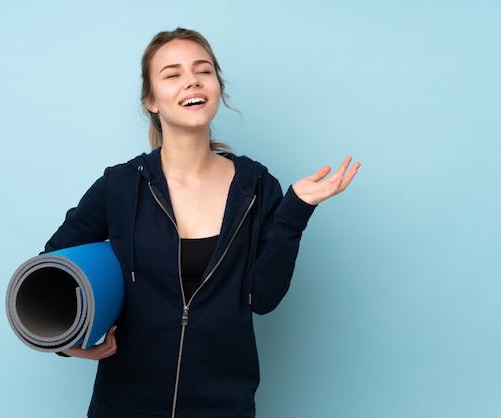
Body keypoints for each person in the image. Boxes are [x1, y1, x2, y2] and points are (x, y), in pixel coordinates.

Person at [44, 27, 360, 418]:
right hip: (124, 406)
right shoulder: (120, 186)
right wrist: (69, 343)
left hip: (223, 406)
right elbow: (50, 272)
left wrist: (295, 210)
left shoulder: (257, 186)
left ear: (217, 88)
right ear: (151, 100)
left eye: (203, 70)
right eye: (172, 74)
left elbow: (263, 299)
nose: (191, 80)